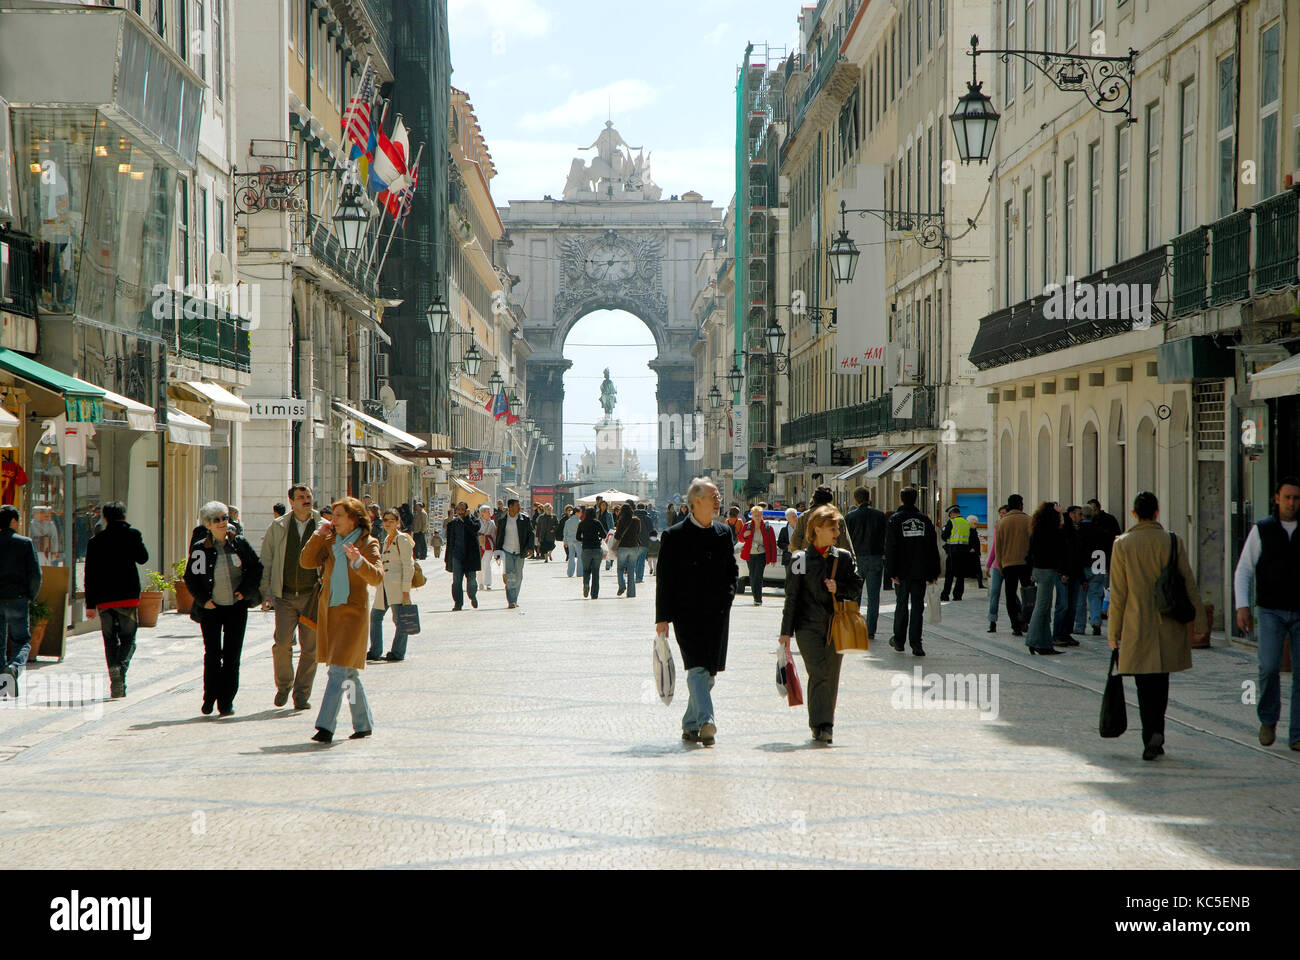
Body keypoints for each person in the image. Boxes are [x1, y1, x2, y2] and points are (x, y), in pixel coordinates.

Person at [1110, 491, 1208, 760]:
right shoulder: (1172, 541)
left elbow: (1118, 593)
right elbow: (1188, 581)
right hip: (1168, 623)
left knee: (1143, 685)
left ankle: (1149, 735)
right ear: (1157, 512)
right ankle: (1158, 731)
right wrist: (1200, 619)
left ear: (1134, 514)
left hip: (1136, 623)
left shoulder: (1122, 544)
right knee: (1161, 681)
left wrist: (1113, 633)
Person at [655, 478, 737, 746]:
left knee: (709, 674)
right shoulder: (674, 536)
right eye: (714, 495)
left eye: (718, 496)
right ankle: (706, 721)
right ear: (696, 502)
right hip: (687, 615)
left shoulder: (724, 533)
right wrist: (662, 618)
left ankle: (690, 723)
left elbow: (732, 571)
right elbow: (664, 579)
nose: (718, 500)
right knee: (698, 669)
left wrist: (728, 595)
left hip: (717, 614)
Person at [300, 497, 384, 743]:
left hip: (352, 614)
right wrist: (318, 535)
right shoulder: (329, 540)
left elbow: (377, 577)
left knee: (337, 671)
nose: (332, 520)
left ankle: (325, 726)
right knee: (348, 673)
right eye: (333, 515)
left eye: (338, 516)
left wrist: (358, 561)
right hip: (330, 611)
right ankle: (363, 722)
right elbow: (306, 562)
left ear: (353, 519)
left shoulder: (368, 543)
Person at [781, 504, 863, 743]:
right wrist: (785, 633)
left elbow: (857, 586)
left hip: (835, 625)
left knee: (831, 674)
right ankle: (820, 723)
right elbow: (792, 597)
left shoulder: (844, 558)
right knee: (818, 673)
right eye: (833, 528)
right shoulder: (799, 559)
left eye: (837, 528)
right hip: (807, 627)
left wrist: (839, 588)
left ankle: (824, 725)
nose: (837, 533)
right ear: (817, 529)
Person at [1234, 475, 1300, 750]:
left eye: (1296, 498)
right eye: (1287, 497)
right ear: (1276, 498)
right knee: (1269, 666)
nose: (1291, 503)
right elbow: (1244, 569)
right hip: (1270, 610)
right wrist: (1242, 605)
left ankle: (1296, 734)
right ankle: (1268, 718)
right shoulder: (1262, 530)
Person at [184, 501, 263, 716]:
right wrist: (203, 600)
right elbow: (191, 578)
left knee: (232, 656)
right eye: (216, 520)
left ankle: (226, 701)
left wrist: (245, 591)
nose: (222, 523)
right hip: (211, 608)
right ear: (208, 524)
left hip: (236, 608)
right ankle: (210, 697)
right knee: (212, 655)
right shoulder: (201, 548)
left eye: (224, 518)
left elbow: (256, 568)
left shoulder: (239, 543)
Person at [258, 483, 322, 710]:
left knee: (310, 649)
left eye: (308, 495)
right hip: (284, 596)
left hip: (312, 597)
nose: (306, 499)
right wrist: (265, 592)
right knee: (282, 643)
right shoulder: (278, 526)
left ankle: (302, 694)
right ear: (291, 502)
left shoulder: (323, 526)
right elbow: (267, 560)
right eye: (301, 496)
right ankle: (284, 686)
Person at [82, 502, 147, 699]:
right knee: (129, 639)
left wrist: (90, 604)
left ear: (105, 518)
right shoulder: (133, 535)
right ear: (124, 517)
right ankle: (120, 668)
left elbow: (89, 575)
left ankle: (116, 681)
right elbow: (143, 558)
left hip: (104, 599)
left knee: (110, 640)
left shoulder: (95, 541)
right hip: (128, 597)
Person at [884, 487, 941, 656]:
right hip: (920, 570)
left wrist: (891, 572)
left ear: (901, 500)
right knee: (917, 607)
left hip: (902, 572)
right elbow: (932, 547)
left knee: (901, 605)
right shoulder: (924, 520)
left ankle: (899, 641)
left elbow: (891, 548)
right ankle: (916, 644)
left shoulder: (895, 520)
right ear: (916, 499)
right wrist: (934, 572)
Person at [1022, 502, 1068, 655]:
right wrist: (1065, 514)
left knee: (1044, 607)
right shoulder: (1053, 531)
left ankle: (1045, 643)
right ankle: (1033, 641)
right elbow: (1067, 535)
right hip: (1048, 571)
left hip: (1037, 570)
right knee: (1042, 608)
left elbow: (1030, 553)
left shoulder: (1037, 530)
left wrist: (1030, 571)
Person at [369, 509, 414, 662]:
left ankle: (398, 652)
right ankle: (375, 650)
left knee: (400, 619)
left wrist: (406, 590)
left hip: (397, 586)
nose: (387, 523)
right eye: (385, 520)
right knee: (375, 616)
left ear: (397, 522)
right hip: (384, 586)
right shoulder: (387, 538)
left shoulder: (402, 539)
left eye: (391, 520)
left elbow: (408, 566)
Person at [844, 488, 886, 638]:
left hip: (856, 560)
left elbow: (846, 540)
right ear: (869, 498)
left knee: (855, 595)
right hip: (875, 558)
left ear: (856, 500)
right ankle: (870, 630)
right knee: (874, 597)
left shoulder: (850, 517)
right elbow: (885, 537)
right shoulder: (880, 516)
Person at [995, 494, 1033, 636]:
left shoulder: (1002, 523)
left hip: (1008, 564)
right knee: (1028, 594)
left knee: (1010, 595)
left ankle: (1015, 625)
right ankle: (1027, 620)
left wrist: (1000, 565)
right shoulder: (1028, 520)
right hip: (1026, 564)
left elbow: (998, 547)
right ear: (1021, 505)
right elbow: (1033, 544)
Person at [1055, 505, 1086, 644]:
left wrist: (1083, 578)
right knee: (1063, 605)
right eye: (1079, 514)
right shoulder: (1064, 531)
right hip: (1064, 574)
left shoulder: (1078, 532)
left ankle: (1066, 633)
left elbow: (1079, 557)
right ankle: (1057, 634)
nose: (1082, 517)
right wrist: (1062, 572)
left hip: (1075, 575)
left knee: (1072, 606)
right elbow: (1061, 554)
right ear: (1072, 515)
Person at [1077, 504, 1110, 636]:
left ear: (1082, 515)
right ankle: (1096, 622)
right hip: (1098, 564)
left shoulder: (1079, 531)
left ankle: (1079, 626)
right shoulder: (1100, 530)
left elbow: (1077, 552)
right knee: (1096, 595)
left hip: (1084, 566)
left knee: (1081, 598)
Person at [791, 485, 854, 553]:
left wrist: (800, 559)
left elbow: (795, 542)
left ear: (814, 499)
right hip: (832, 558)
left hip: (808, 558)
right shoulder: (836, 517)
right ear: (830, 500)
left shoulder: (803, 517)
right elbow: (845, 542)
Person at [444, 501, 481, 611]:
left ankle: (472, 595)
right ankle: (458, 603)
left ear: (467, 511)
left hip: (470, 556)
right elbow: (450, 542)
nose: (460, 512)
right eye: (458, 510)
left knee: (471, 581)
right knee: (456, 581)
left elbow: (475, 529)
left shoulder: (474, 521)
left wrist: (467, 518)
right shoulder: (452, 524)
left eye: (462, 510)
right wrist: (447, 558)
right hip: (456, 555)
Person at [498, 499, 534, 609]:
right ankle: (511, 600)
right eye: (517, 505)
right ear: (510, 506)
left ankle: (515, 598)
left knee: (518, 577)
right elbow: (499, 536)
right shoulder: (503, 520)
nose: (519, 507)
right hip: (507, 550)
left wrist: (530, 548)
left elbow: (530, 534)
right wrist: (497, 552)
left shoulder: (524, 519)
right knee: (510, 576)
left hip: (520, 551)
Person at [739, 505, 777, 605]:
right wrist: (744, 535)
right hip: (750, 555)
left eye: (759, 515)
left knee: (758, 576)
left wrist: (773, 559)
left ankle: (758, 599)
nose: (757, 517)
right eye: (755, 515)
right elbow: (740, 539)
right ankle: (755, 597)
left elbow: (773, 543)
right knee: (752, 576)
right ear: (752, 515)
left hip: (762, 555)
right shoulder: (747, 525)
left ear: (761, 515)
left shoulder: (768, 527)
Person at [939, 506, 971, 601]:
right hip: (964, 551)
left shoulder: (952, 522)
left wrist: (943, 530)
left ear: (952, 513)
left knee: (949, 575)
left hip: (953, 551)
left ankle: (945, 595)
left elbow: (944, 536)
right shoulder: (966, 522)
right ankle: (958, 595)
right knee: (960, 575)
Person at [986, 505, 1009, 632]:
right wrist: (988, 565)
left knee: (1011, 595)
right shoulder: (997, 527)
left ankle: (1020, 617)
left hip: (1009, 564)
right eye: (1000, 513)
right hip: (997, 565)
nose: (1001, 515)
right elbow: (994, 547)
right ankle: (992, 621)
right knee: (995, 592)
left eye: (1004, 513)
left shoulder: (1011, 527)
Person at [576, 506, 607, 599]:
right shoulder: (597, 523)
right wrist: (598, 537)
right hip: (597, 549)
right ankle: (594, 594)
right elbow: (603, 534)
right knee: (595, 572)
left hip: (586, 549)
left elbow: (577, 537)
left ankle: (586, 583)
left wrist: (584, 539)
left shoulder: (582, 523)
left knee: (586, 570)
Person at [613, 503, 641, 598]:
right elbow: (638, 532)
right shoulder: (637, 520)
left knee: (620, 569)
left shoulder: (621, 520)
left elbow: (617, 536)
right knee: (631, 570)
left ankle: (622, 585)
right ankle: (631, 593)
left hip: (623, 547)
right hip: (633, 547)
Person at [477, 505, 497, 590]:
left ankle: (488, 583)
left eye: (489, 511)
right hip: (479, 544)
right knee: (480, 564)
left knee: (487, 564)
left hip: (489, 545)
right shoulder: (477, 522)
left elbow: (494, 535)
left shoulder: (492, 523)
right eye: (487, 511)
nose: (489, 513)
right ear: (482, 513)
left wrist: (496, 546)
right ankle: (480, 582)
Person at [634, 502, 655, 583]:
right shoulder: (647, 518)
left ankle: (636, 576)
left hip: (634, 542)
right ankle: (639, 578)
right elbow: (651, 531)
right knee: (641, 560)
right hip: (644, 542)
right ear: (645, 508)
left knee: (636, 560)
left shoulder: (633, 517)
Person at [563, 506, 582, 577]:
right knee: (580, 556)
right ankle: (580, 573)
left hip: (569, 540)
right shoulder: (579, 522)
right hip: (578, 541)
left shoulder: (568, 521)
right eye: (580, 512)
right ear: (577, 513)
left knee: (571, 556)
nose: (581, 514)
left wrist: (565, 541)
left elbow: (565, 532)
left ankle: (570, 573)